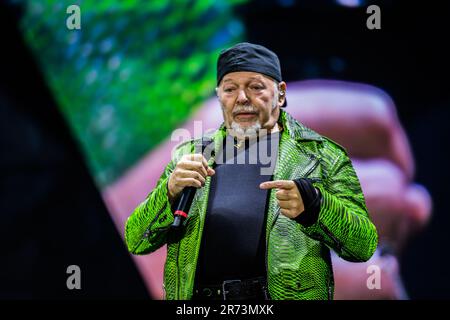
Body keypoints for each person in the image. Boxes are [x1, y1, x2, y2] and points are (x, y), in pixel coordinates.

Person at [124, 42, 378, 300]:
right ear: (219, 95)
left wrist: (317, 207)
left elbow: (363, 245)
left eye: (255, 87)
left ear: (280, 93)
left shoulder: (321, 155)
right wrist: (168, 192)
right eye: (230, 89)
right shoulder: (191, 154)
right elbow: (137, 240)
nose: (242, 98)